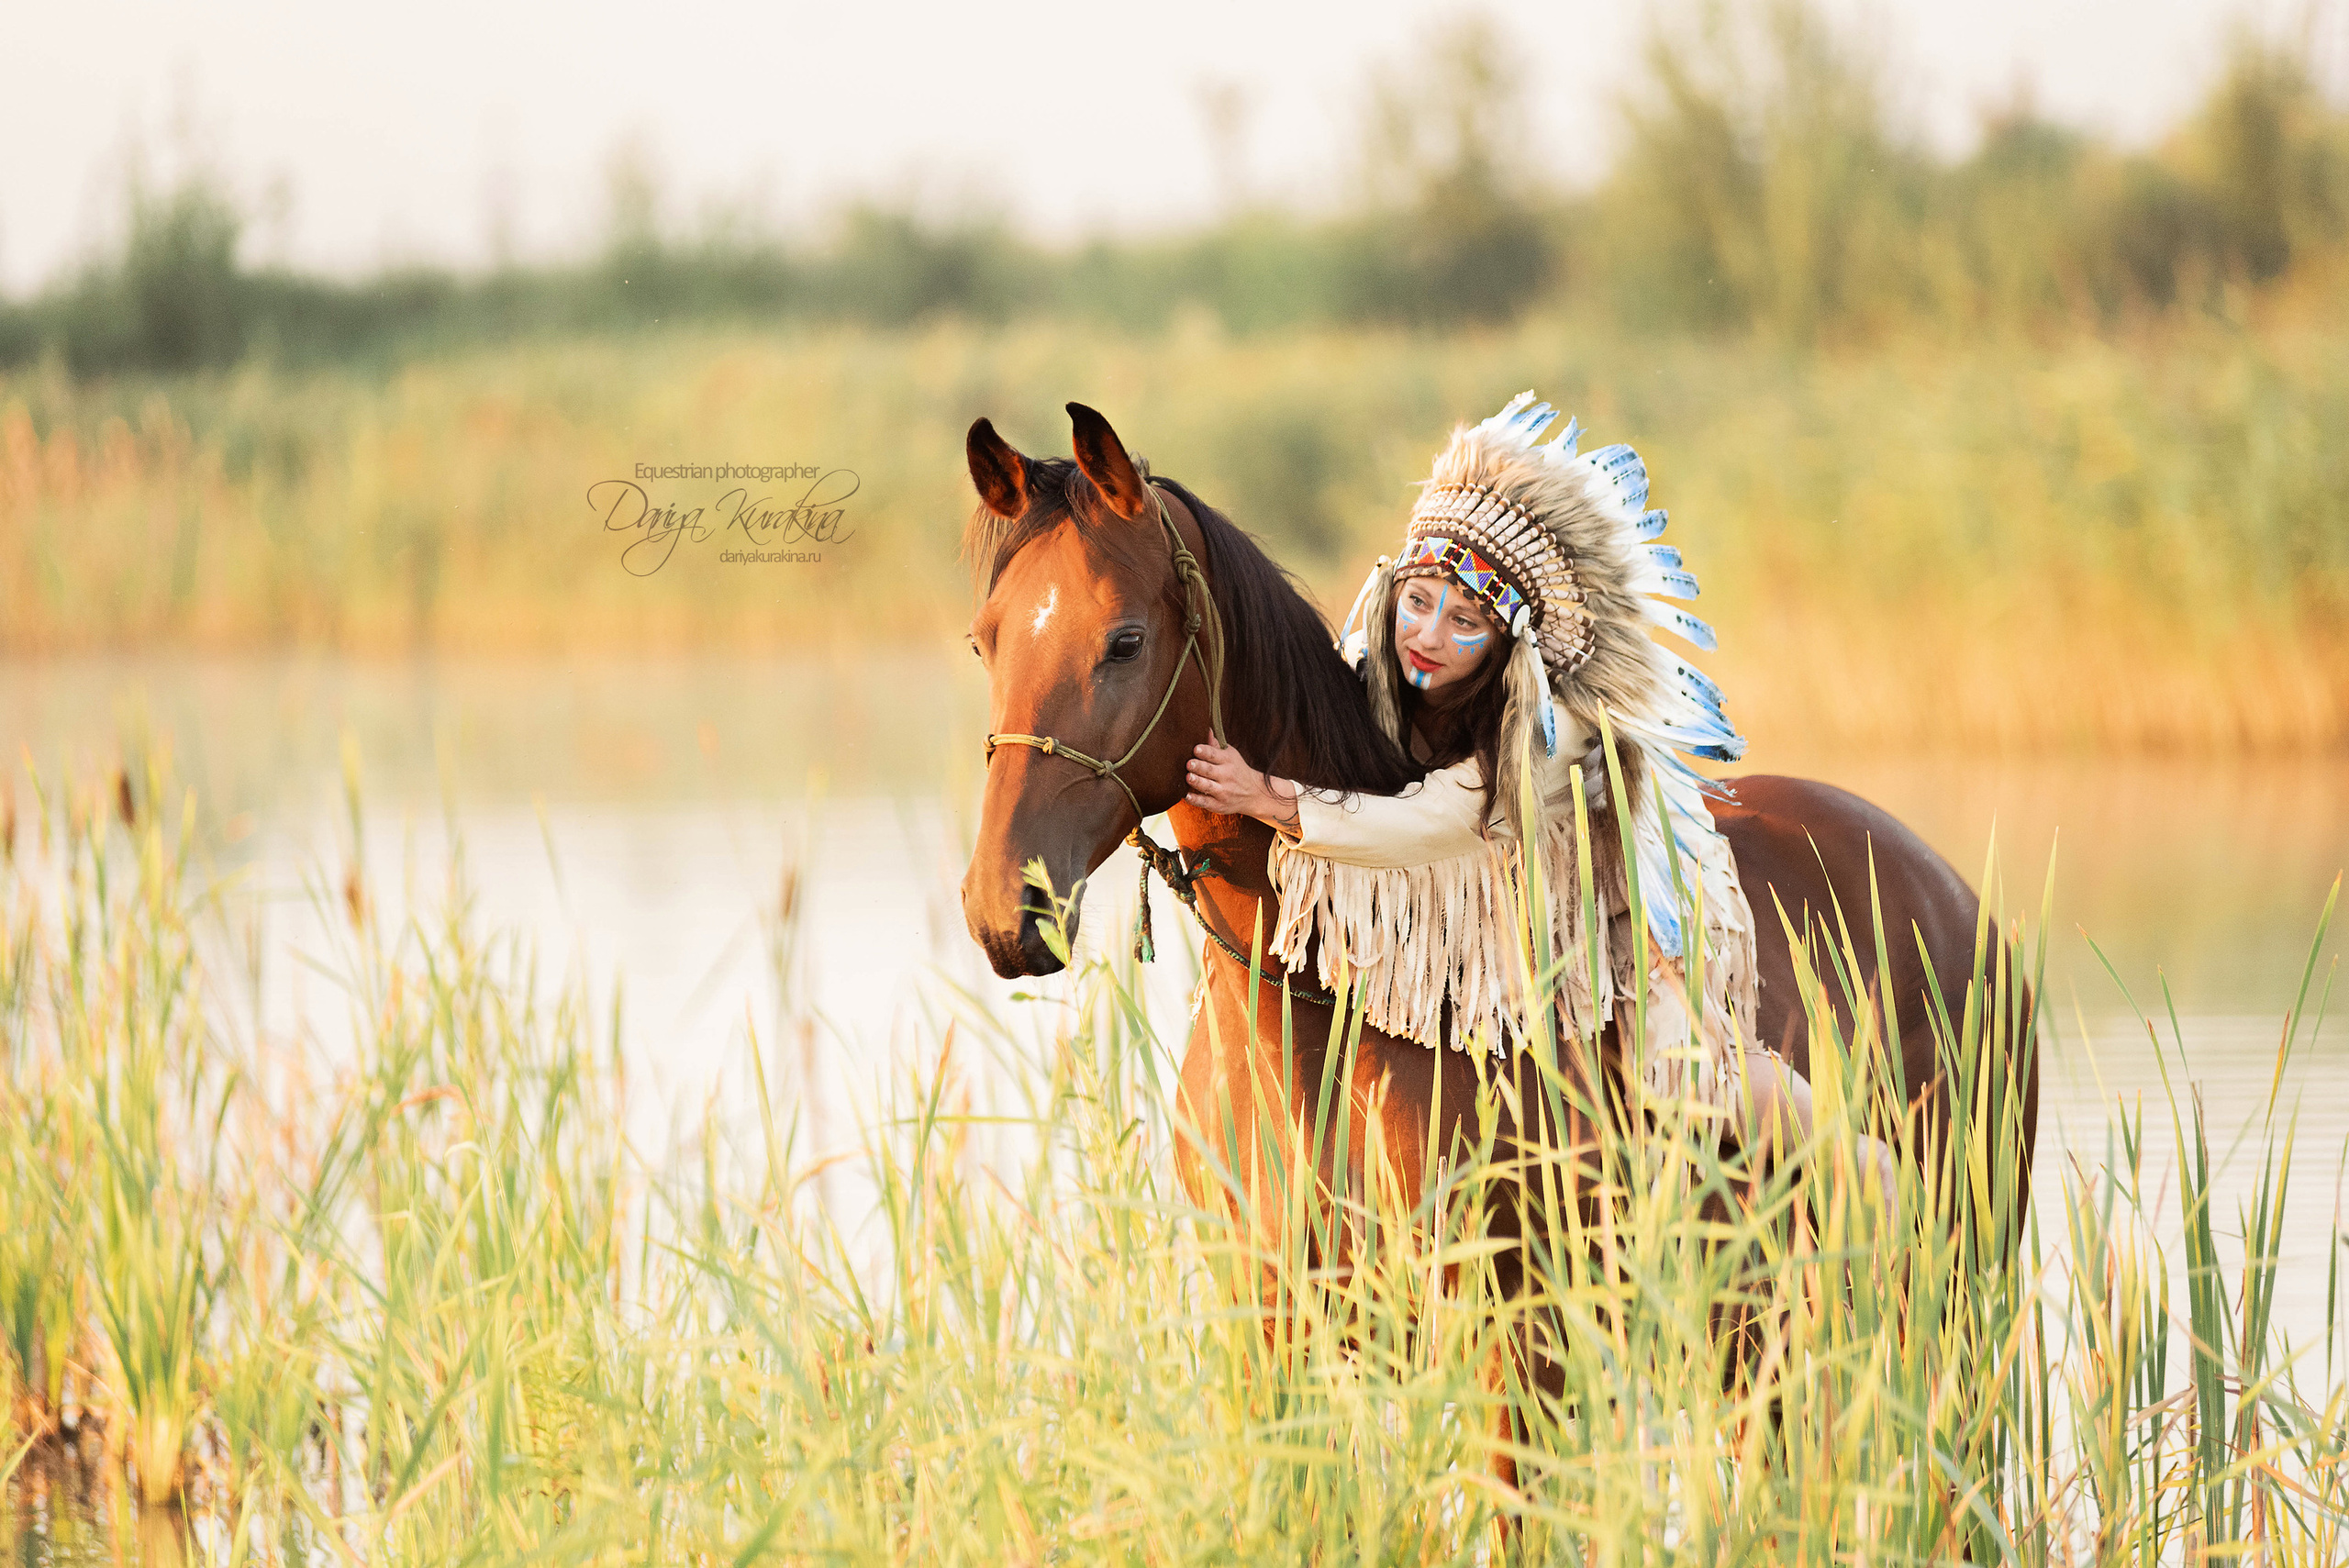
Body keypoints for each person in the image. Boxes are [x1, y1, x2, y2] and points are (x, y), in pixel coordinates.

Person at [1181, 391, 1899, 1211]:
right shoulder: (1375, 663)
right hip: (1503, 889)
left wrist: (1270, 798)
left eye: (1465, 620)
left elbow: (1444, 817)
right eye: (1418, 601)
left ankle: (1855, 1159)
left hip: (1614, 894)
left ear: (1506, 643)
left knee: (1679, 1074)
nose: (1428, 635)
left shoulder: (1553, 727)